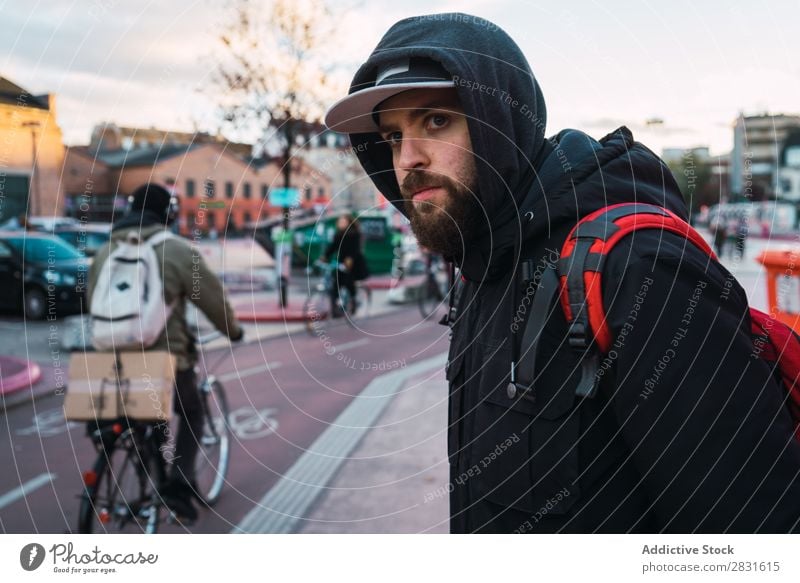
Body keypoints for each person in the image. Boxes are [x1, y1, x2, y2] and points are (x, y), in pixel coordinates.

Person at [324, 14, 800, 533]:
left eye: (436, 121)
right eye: (393, 137)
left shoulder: (636, 267)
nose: (408, 159)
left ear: (500, 122)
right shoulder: (481, 271)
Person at [88, 183, 244, 522]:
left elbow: (93, 300)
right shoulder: (175, 250)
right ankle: (178, 483)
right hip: (164, 358)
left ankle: (146, 470)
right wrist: (233, 330)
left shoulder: (106, 250)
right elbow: (213, 299)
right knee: (191, 413)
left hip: (108, 359)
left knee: (140, 417)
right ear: (167, 214)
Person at [321, 214, 368, 315]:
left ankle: (353, 301)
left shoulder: (355, 234)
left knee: (349, 282)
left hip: (354, 263)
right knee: (335, 284)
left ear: (348, 223)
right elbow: (333, 247)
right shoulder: (338, 234)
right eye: (339, 221)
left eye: (343, 221)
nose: (340, 223)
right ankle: (335, 308)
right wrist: (325, 256)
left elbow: (355, 249)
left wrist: (350, 258)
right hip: (341, 262)